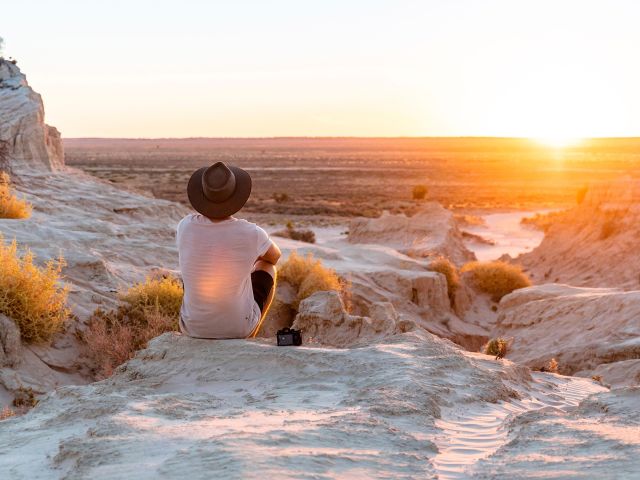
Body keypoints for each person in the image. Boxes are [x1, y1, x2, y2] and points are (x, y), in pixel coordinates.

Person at [177, 162, 280, 339]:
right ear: (236, 196)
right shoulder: (251, 232)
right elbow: (274, 257)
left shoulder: (185, 225)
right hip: (236, 330)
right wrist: (250, 260)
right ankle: (250, 333)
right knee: (268, 267)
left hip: (192, 329)